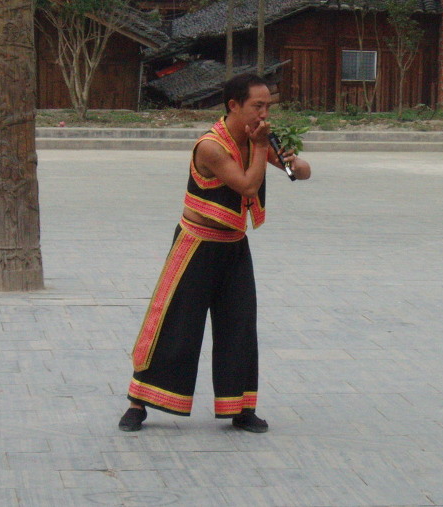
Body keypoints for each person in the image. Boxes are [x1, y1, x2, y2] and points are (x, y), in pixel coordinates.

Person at [118, 73, 311, 433]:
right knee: (175, 324)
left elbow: (301, 172)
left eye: (268, 106)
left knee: (240, 325)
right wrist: (260, 148)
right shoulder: (211, 146)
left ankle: (241, 407)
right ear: (234, 105)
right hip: (196, 244)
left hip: (233, 245)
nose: (264, 114)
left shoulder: (257, 137)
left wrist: (294, 163)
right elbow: (248, 186)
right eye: (257, 106)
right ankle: (138, 401)